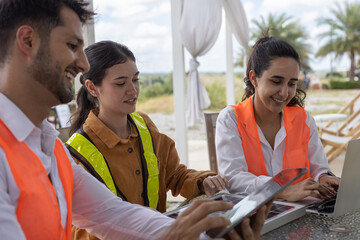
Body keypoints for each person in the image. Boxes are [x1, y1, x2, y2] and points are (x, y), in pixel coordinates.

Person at [0, 0, 270, 239]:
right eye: (72, 45)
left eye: (135, 80)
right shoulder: (60, 149)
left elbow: (114, 215)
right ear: (28, 41)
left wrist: (202, 232)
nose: (82, 63)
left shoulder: (51, 148)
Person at [66, 40, 229, 239]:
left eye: (135, 79)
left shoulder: (144, 125)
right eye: (120, 83)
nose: (132, 90)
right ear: (92, 88)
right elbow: (81, 229)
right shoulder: (75, 154)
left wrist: (203, 181)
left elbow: (173, 174)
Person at [215, 36, 340, 202]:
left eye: (291, 84)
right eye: (276, 81)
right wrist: (281, 189)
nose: (284, 93)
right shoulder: (231, 119)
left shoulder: (304, 120)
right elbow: (233, 179)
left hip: (301, 213)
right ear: (254, 78)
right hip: (252, 219)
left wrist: (324, 178)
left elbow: (318, 168)